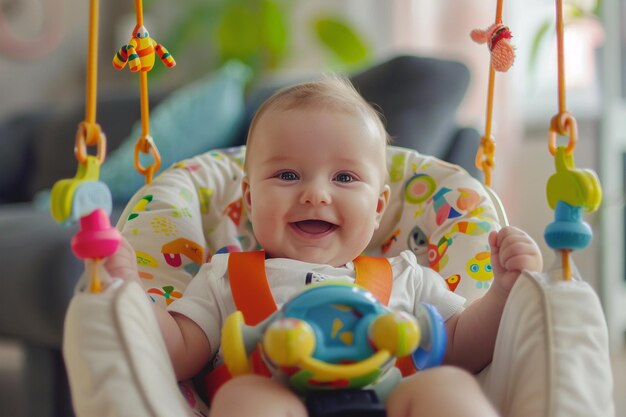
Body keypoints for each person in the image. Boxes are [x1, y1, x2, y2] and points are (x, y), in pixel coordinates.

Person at [105, 77, 543, 417]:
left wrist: (503, 292)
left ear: (378, 208)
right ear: (250, 202)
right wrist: (128, 292)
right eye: (288, 176)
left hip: (388, 401)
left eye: (345, 178)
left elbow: (461, 348)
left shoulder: (406, 276)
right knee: (244, 397)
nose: (316, 195)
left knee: (448, 387)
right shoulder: (224, 278)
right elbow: (178, 353)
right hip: (276, 396)